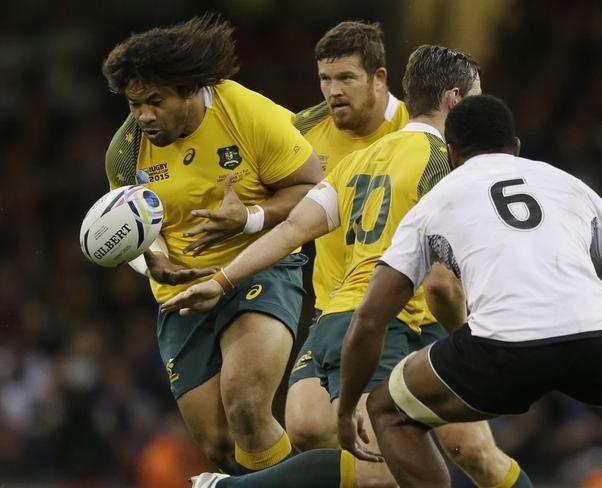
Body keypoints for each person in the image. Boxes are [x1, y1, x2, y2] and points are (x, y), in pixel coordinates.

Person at [173, 46, 530, 488]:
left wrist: (223, 279)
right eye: (476, 97)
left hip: (340, 321)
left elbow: (291, 232)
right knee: (385, 472)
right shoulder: (445, 165)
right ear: (455, 101)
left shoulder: (360, 159)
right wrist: (479, 343)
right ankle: (232, 486)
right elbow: (441, 280)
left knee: (317, 431)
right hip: (387, 324)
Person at [338, 94, 602, 488]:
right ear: (516, 146)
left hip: (504, 349)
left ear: (452, 154)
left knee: (388, 410)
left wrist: (346, 410)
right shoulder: (571, 186)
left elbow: (370, 318)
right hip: (592, 335)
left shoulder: (434, 204)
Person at [101, 14, 323, 475]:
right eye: (134, 103)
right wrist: (154, 260)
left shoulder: (247, 113)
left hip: (259, 268)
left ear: (189, 88)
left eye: (155, 101)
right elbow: (137, 224)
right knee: (220, 447)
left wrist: (250, 218)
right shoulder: (125, 152)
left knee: (245, 405)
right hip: (181, 295)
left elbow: (311, 189)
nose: (143, 115)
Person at [287, 20, 409, 452]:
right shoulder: (301, 132)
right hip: (333, 310)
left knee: (467, 449)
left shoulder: (417, 131)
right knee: (304, 425)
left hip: (406, 311)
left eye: (346, 78)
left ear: (379, 78)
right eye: (325, 78)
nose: (333, 90)